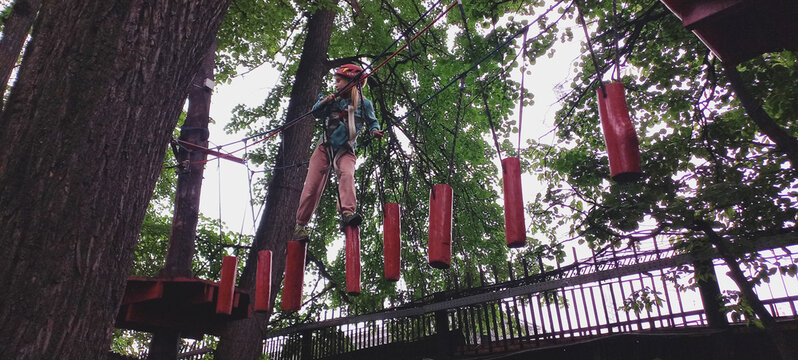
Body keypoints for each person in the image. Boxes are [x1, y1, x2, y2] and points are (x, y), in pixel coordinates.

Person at [293, 64, 384, 242]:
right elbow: (316, 113)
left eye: (339, 81)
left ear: (351, 81)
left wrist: (375, 130)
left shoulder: (364, 104)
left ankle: (348, 213)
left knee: (348, 175)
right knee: (312, 186)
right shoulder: (332, 100)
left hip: (346, 149)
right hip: (324, 147)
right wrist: (324, 102)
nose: (336, 85)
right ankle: (300, 225)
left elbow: (372, 121)